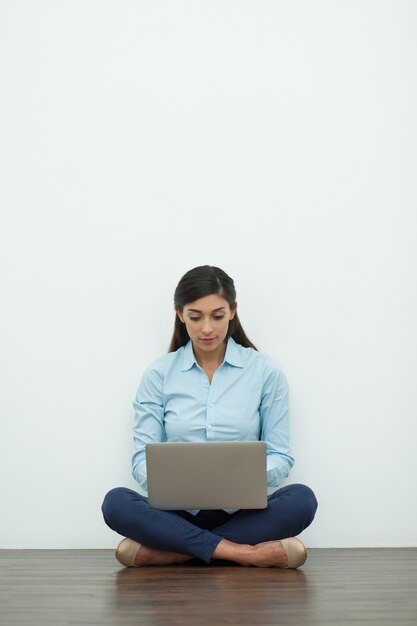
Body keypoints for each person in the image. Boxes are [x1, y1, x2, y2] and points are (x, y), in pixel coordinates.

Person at [102, 265, 318, 568]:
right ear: (180, 314)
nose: (207, 328)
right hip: (177, 512)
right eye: (195, 316)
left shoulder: (265, 372)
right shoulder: (159, 374)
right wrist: (176, 485)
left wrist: (244, 482)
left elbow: (280, 454)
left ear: (232, 311)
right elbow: (141, 459)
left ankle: (174, 551)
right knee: (116, 503)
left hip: (242, 510)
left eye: (217, 316)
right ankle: (244, 553)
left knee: (301, 500)